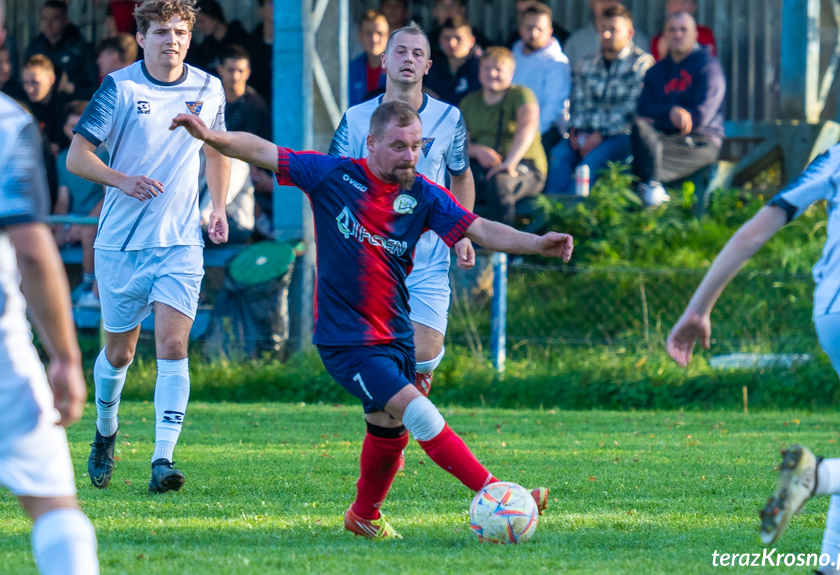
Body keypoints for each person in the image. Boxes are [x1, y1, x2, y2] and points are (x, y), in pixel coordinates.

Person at [170, 99, 573, 538]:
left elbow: (480, 228)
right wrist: (211, 137)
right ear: (372, 142)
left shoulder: (422, 194)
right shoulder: (334, 176)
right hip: (348, 342)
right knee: (420, 413)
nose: (410, 155)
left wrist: (536, 244)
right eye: (399, 145)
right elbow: (263, 151)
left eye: (417, 146)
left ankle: (363, 516)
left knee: (388, 428)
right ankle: (500, 494)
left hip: (396, 335)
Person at [666, 140, 840, 575]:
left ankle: (834, 566)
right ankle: (818, 476)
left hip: (833, 312)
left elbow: (752, 232)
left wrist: (699, 308)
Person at [66, 0, 230, 494]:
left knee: (174, 345)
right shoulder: (120, 86)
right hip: (120, 244)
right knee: (120, 354)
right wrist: (123, 180)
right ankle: (105, 433)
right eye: (160, 31)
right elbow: (78, 156)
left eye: (180, 31)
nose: (171, 40)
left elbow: (219, 149)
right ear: (141, 38)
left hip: (180, 242)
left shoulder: (209, 87)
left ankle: (163, 459)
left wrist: (216, 205)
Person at [0, 4, 100, 573]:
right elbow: (35, 252)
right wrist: (64, 356)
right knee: (55, 507)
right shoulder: (6, 122)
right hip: (4, 357)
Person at [330, 23, 476, 409]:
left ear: (428, 65)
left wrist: (461, 231)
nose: (408, 59)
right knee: (382, 361)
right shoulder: (357, 118)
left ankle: (402, 398)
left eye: (416, 54)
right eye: (400, 51)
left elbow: (461, 175)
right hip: (371, 260)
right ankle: (392, 424)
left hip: (427, 259)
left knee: (424, 352)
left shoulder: (448, 118)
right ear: (384, 60)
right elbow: (334, 182)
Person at [545, 5, 654, 194]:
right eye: (603, 29)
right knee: (559, 155)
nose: (606, 35)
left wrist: (600, 134)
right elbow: (577, 102)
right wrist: (574, 129)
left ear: (629, 33)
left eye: (613, 30)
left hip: (619, 136)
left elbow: (632, 109)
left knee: (589, 164)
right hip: (583, 134)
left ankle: (572, 218)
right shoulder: (587, 63)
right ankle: (550, 215)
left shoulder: (642, 64)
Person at [631, 11, 725, 206]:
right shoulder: (656, 72)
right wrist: (671, 112)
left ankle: (652, 190)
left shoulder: (708, 67)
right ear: (664, 35)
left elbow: (699, 118)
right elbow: (643, 109)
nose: (678, 34)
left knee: (640, 164)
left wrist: (658, 118)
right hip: (661, 139)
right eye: (672, 30)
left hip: (701, 141)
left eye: (684, 30)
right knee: (639, 130)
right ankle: (653, 190)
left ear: (695, 35)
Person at [460, 47, 546, 225]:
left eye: (498, 69)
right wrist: (476, 151)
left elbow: (528, 125)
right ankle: (459, 244)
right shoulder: (468, 102)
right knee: (454, 181)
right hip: (483, 167)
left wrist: (509, 163)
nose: (492, 73)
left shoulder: (521, 94)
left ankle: (502, 250)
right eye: (487, 68)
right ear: (479, 72)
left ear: (511, 74)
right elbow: (459, 143)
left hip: (524, 165)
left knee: (500, 183)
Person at [54, 100, 108, 307]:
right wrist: (60, 223)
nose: (76, 132)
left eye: (81, 125)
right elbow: (62, 199)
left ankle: (88, 289)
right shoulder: (62, 158)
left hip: (98, 218)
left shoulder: (105, 153)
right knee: (48, 237)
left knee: (88, 232)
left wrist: (83, 222)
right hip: (74, 217)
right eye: (71, 126)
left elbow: (108, 196)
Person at [511, 1, 570, 153]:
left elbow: (553, 108)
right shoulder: (513, 55)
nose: (534, 34)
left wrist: (530, 134)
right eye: (529, 28)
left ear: (550, 31)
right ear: (520, 29)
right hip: (512, 130)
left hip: (545, 133)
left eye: (540, 29)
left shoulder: (557, 62)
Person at [24, 0, 99, 100]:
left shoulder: (80, 49)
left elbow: (95, 88)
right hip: (39, 107)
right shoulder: (34, 48)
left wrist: (73, 89)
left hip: (70, 107)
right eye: (44, 18)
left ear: (65, 20)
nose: (48, 24)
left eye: (54, 18)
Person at [563, 0, 649, 69]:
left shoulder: (638, 41)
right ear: (591, 3)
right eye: (601, 0)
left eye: (610, 0)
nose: (606, 4)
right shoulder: (575, 42)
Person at [423, 16, 481, 107]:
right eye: (447, 38)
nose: (452, 43)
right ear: (440, 40)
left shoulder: (482, 68)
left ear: (471, 41)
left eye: (458, 38)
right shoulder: (430, 67)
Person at [218, 44, 270, 141]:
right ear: (220, 70)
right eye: (230, 70)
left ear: (248, 73)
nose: (235, 76)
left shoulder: (256, 105)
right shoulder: (211, 100)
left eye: (240, 71)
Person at [21, 54, 71, 155]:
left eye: (35, 82)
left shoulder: (66, 107)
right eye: (25, 83)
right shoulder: (22, 108)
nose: (29, 89)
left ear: (51, 79)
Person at [190, 0, 249, 76]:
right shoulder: (206, 46)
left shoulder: (239, 39)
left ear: (215, 18)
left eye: (202, 21)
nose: (198, 26)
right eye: (196, 22)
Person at [650, 0, 715, 61]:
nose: (680, 7)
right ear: (668, 7)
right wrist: (662, 57)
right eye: (675, 2)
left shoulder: (705, 35)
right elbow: (655, 71)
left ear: (694, 7)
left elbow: (707, 65)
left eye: (684, 2)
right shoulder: (658, 42)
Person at [348, 11, 388, 107]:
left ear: (388, 36)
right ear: (360, 36)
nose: (374, 38)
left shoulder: (398, 70)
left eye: (379, 33)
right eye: (368, 33)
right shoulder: (350, 70)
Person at [246, 0, 273, 103]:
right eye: (270, 3)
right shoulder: (251, 45)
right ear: (261, 11)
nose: (275, 7)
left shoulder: (291, 44)